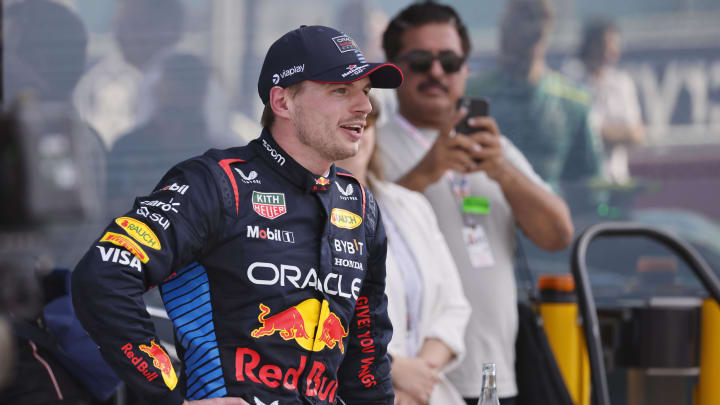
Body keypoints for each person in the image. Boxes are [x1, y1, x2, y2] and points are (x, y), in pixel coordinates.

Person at [72, 25, 403, 405]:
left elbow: (368, 357)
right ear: (282, 102)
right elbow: (105, 273)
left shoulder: (358, 204)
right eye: (341, 91)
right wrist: (168, 398)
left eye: (365, 92)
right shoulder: (215, 184)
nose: (364, 107)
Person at [377, 3, 574, 405]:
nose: (436, 72)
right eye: (420, 61)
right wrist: (427, 171)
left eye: (449, 61)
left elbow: (558, 234)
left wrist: (502, 170)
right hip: (417, 381)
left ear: (465, 69)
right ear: (394, 68)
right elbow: (356, 238)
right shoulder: (371, 145)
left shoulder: (494, 147)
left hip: (497, 375)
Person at [337, 98, 471, 405]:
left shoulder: (410, 205)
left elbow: (455, 306)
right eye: (349, 122)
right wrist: (395, 372)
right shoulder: (302, 214)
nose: (361, 129)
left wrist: (419, 377)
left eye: (368, 120)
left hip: (427, 393)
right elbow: (314, 321)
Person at [466, 0, 603, 187]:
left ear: (545, 31)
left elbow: (590, 183)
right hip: (487, 208)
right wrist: (478, 212)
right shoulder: (473, 93)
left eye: (534, 18)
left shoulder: (573, 100)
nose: (523, 29)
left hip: (549, 209)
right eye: (514, 21)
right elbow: (461, 179)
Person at [573, 18, 646, 184]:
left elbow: (637, 134)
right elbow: (575, 135)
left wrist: (600, 134)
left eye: (614, 45)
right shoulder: (570, 80)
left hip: (617, 180)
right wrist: (618, 133)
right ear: (591, 45)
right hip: (581, 184)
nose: (610, 51)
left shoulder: (622, 82)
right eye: (605, 45)